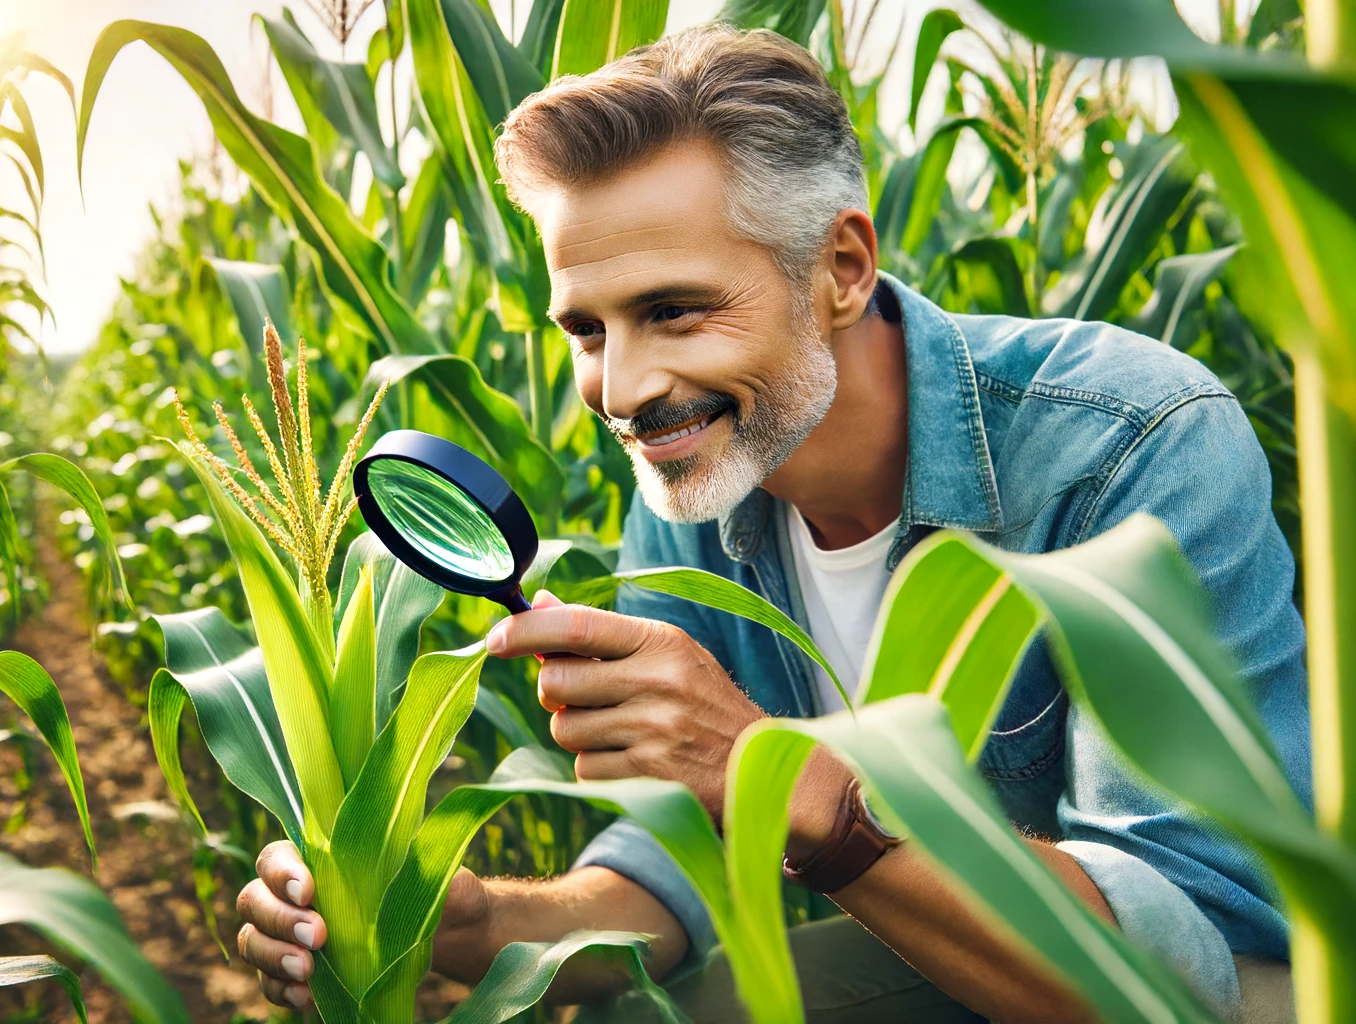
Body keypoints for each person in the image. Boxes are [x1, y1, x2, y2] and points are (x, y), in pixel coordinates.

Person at [233, 24, 1308, 1023]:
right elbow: (672, 870)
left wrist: (791, 783)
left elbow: (1186, 958)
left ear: (840, 269)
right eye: (586, 328)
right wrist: (480, 925)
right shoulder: (702, 474)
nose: (621, 388)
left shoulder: (1130, 440)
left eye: (673, 310)